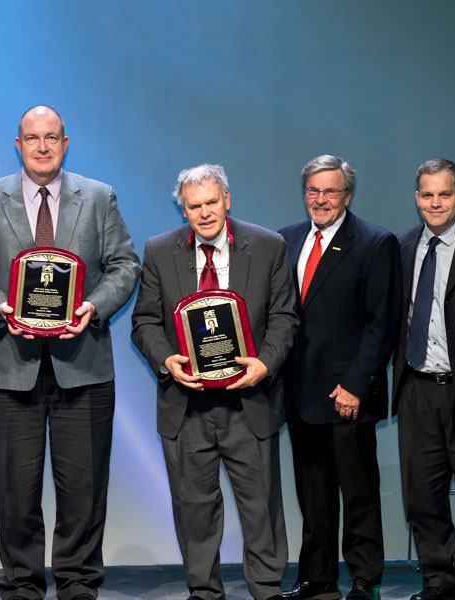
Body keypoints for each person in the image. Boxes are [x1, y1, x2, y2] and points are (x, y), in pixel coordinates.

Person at [0, 105, 140, 600]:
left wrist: (93, 308)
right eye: (32, 138)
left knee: (84, 490)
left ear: (65, 142)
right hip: (11, 366)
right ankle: (22, 585)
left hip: (85, 366)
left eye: (51, 137)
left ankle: (78, 584)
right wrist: (3, 308)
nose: (42, 146)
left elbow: (124, 266)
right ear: (18, 144)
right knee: (17, 492)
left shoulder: (98, 197)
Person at [131, 164, 298, 600]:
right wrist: (168, 360)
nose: (204, 213)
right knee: (194, 511)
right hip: (186, 408)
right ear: (182, 210)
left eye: (210, 202)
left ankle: (266, 591)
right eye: (193, 206)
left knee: (261, 509)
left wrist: (264, 362)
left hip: (251, 402)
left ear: (227, 199)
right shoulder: (159, 250)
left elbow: (284, 317)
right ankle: (204, 592)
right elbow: (144, 321)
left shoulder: (267, 246)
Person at [278, 155, 402, 600]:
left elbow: (381, 323)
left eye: (330, 191)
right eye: (314, 190)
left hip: (348, 393)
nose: (321, 199)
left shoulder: (374, 242)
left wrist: (356, 384)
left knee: (359, 492)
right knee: (313, 494)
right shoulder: (286, 240)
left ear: (347, 195)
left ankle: (366, 578)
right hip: (300, 393)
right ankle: (317, 576)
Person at [391, 159, 455, 600]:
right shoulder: (401, 247)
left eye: (444, 194)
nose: (435, 203)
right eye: (427, 195)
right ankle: (439, 579)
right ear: (417, 199)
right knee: (422, 495)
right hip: (417, 388)